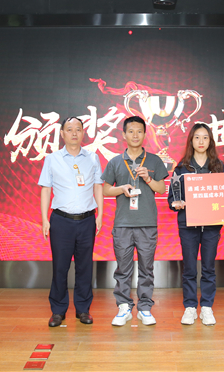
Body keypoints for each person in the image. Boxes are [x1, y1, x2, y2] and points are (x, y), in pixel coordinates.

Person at [102, 116, 169, 326]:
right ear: (124, 135)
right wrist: (121, 189)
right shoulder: (115, 161)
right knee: (123, 268)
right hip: (122, 223)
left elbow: (162, 189)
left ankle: (145, 308)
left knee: (146, 268)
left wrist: (148, 178)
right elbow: (105, 190)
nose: (135, 135)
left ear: (145, 134)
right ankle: (124, 307)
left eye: (139, 131)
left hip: (147, 222)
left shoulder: (154, 161)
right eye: (131, 131)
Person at [38, 116, 104, 328]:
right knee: (60, 267)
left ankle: (83, 310)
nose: (74, 133)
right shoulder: (52, 159)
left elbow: (98, 186)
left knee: (85, 267)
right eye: (69, 129)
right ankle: (58, 311)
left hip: (86, 220)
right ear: (62, 133)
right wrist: (44, 219)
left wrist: (100, 214)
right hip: (61, 221)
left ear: (83, 133)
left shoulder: (92, 158)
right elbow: (46, 189)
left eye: (78, 129)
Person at [168, 123, 224, 326]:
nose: (201, 141)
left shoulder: (219, 167)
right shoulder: (181, 168)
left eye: (205, 137)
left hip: (211, 225)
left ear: (210, 141)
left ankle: (207, 307)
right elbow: (172, 197)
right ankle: (190, 307)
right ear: (191, 141)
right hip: (188, 225)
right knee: (190, 268)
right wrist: (176, 203)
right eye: (197, 137)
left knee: (209, 267)